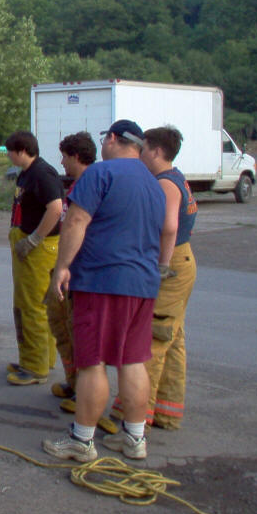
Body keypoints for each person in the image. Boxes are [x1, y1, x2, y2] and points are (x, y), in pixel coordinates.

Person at [42, 119, 164, 462]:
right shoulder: (153, 182)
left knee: (92, 362)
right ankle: (134, 438)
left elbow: (76, 221)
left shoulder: (99, 173)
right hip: (142, 284)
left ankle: (82, 440)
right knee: (132, 360)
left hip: (101, 281)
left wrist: (62, 267)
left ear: (112, 139)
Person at [113, 125, 198, 430]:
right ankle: (166, 411)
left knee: (152, 338)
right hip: (183, 260)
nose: (141, 154)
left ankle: (135, 417)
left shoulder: (165, 184)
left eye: (145, 149)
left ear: (158, 151)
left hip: (171, 262)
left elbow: (169, 227)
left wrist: (160, 266)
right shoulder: (177, 177)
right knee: (172, 337)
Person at [4, 130, 64, 385]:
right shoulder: (28, 173)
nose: (8, 156)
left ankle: (35, 367)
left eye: (10, 151)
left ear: (22, 151)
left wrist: (34, 239)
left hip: (39, 249)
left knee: (31, 306)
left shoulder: (42, 173)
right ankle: (41, 358)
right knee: (36, 303)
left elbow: (56, 208)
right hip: (29, 243)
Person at [46, 131, 96, 400]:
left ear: (76, 156)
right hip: (67, 265)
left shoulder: (92, 185)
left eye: (65, 157)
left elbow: (78, 226)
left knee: (77, 331)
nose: (62, 162)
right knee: (60, 323)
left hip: (79, 269)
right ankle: (74, 382)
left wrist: (65, 267)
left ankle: (84, 393)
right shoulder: (78, 185)